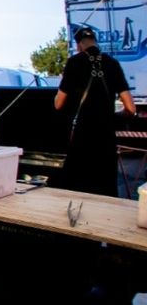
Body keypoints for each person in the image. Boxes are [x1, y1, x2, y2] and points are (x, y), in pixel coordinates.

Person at [54, 26, 135, 196]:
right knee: (106, 189)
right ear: (95, 42)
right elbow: (130, 108)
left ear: (79, 45)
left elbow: (59, 104)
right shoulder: (113, 63)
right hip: (106, 136)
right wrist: (115, 117)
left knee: (77, 189)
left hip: (83, 135)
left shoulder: (74, 62)